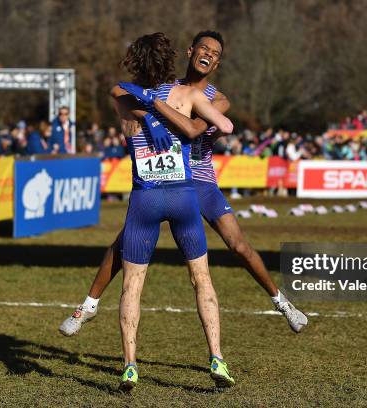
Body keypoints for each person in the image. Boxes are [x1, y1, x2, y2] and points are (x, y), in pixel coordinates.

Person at [60, 31, 307, 340]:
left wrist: (164, 115)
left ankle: (282, 304)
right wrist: (148, 116)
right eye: (203, 47)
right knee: (124, 244)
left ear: (216, 64)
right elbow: (123, 95)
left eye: (215, 53)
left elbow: (194, 129)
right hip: (164, 179)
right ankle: (88, 306)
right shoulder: (167, 86)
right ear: (191, 51)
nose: (208, 54)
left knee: (238, 244)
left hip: (200, 179)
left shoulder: (218, 100)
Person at [91, 32, 234, 389]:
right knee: (201, 279)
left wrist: (149, 111)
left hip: (145, 201)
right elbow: (227, 125)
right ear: (171, 61)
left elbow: (116, 90)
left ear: (133, 63)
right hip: (184, 197)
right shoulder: (186, 95)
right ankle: (216, 357)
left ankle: (129, 364)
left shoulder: (127, 102)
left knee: (133, 285)